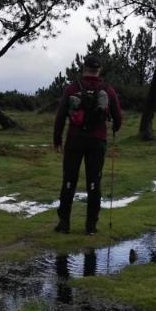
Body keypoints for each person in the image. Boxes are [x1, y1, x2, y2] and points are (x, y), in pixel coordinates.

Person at [52, 53, 123, 234]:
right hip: (97, 141)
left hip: (74, 139)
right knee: (94, 183)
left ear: (84, 68)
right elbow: (118, 116)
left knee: (69, 181)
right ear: (99, 70)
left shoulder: (72, 88)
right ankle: (90, 227)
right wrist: (115, 127)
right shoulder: (107, 89)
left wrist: (57, 139)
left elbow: (60, 116)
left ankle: (64, 225)